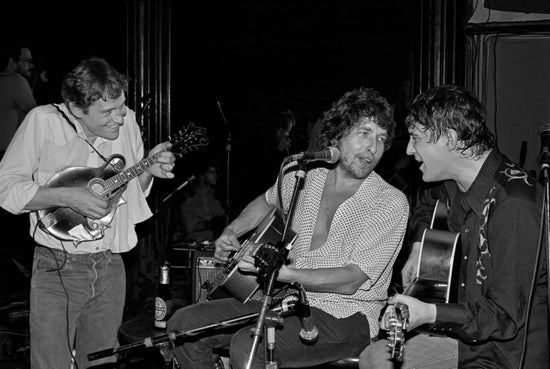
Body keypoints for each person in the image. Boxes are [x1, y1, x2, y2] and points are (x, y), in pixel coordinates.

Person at [167, 86, 410, 369]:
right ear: (338, 134)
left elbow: (352, 279)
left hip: (347, 316)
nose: (373, 147)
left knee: (250, 344)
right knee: (184, 326)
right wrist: (232, 230)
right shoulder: (303, 176)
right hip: (286, 302)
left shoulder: (390, 201)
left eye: (381, 138)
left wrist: (285, 273)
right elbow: (266, 201)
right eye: (364, 132)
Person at [0, 56, 176, 369]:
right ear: (76, 108)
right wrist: (68, 196)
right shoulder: (42, 121)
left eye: (121, 107)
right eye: (107, 112)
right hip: (57, 267)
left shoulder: (128, 121)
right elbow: (5, 188)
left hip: (111, 266)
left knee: (101, 363)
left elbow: (131, 194)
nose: (119, 119)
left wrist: (150, 169)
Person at [360, 85, 549, 369]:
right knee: (375, 358)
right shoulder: (453, 183)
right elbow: (426, 204)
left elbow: (504, 317)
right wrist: (419, 248)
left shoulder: (514, 206)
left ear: (449, 139)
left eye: (416, 138)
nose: (410, 150)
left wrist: (430, 313)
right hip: (465, 339)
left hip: (502, 355)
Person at [0, 45, 37, 155]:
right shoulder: (16, 81)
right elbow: (35, 115)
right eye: (27, 60)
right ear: (11, 61)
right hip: (6, 153)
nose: (31, 65)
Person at [180, 160, 226, 242]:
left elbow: (222, 218)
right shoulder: (189, 196)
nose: (215, 176)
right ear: (202, 174)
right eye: (211, 172)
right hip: (194, 243)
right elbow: (189, 227)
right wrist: (210, 223)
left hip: (215, 242)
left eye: (216, 172)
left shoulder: (215, 196)